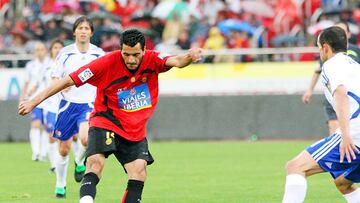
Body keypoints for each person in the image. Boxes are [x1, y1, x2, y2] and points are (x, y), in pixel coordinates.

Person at [19, 28, 203, 203]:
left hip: (133, 128)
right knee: (95, 164)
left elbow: (178, 61)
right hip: (105, 120)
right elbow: (68, 80)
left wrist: (189, 56)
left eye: (136, 55)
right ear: (120, 49)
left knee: (139, 171)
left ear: (144, 50)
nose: (131, 59)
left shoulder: (153, 59)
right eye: (126, 54)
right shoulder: (105, 63)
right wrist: (34, 101)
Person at [282, 26, 360, 202]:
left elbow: (340, 91)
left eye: (318, 48)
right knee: (343, 183)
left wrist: (346, 135)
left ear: (325, 47)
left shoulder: (332, 64)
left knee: (295, 166)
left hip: (355, 134)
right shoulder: (354, 65)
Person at [50, 16, 105, 198]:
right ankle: (60, 184)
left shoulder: (98, 54)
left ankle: (79, 161)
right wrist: (63, 84)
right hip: (67, 104)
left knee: (85, 139)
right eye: (80, 28)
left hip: (89, 104)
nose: (83, 31)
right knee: (63, 148)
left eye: (86, 28)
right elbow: (55, 77)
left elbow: (107, 76)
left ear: (91, 33)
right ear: (74, 32)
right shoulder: (65, 53)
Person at [302, 21, 360, 135]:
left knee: (347, 134)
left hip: (351, 96)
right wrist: (309, 90)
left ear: (348, 34)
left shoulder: (355, 51)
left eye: (342, 31)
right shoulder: (327, 56)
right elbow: (317, 70)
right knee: (335, 132)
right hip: (334, 94)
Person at [20, 41, 51, 161]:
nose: (39, 52)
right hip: (33, 99)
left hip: (48, 99)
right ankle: (36, 152)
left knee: (46, 127)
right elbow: (26, 83)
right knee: (36, 123)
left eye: (42, 49)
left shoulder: (51, 64)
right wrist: (22, 98)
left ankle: (43, 153)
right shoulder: (30, 66)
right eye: (37, 50)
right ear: (34, 52)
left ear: (46, 50)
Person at [41, 39, 64, 173]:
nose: (57, 50)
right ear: (51, 50)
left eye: (60, 47)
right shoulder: (46, 67)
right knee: (51, 135)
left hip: (64, 105)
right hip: (50, 106)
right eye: (55, 47)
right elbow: (39, 84)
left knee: (70, 137)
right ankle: (54, 165)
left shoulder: (67, 64)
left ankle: (77, 161)